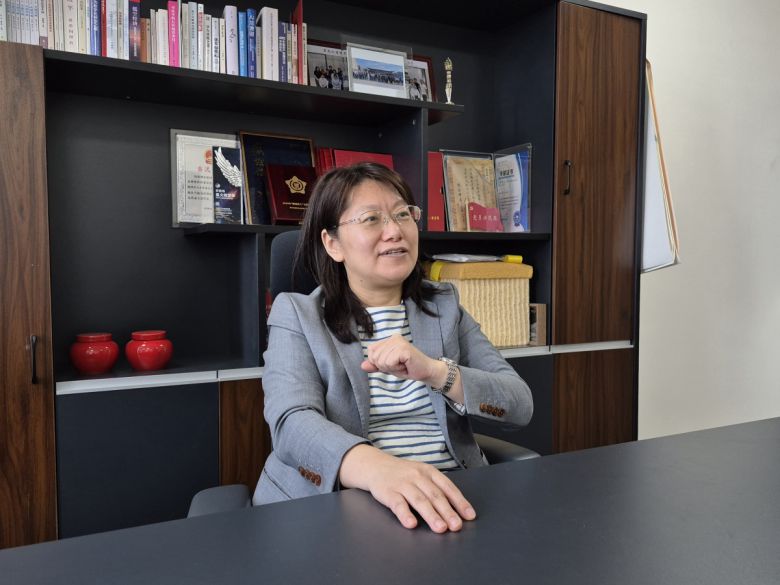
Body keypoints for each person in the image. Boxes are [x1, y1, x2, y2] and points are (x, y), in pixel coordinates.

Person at [253, 162, 533, 533]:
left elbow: (519, 405)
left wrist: (437, 372)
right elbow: (291, 424)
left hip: (449, 497)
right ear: (333, 243)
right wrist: (379, 469)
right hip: (343, 506)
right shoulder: (298, 314)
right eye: (371, 219)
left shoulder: (445, 307)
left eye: (402, 214)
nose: (394, 231)